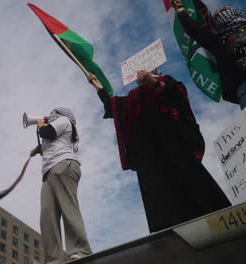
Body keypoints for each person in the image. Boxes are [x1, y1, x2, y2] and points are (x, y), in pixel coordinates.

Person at [90, 70, 231, 233]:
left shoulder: (166, 81)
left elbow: (178, 96)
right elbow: (113, 106)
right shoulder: (132, 97)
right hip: (148, 154)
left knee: (191, 183)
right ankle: (167, 234)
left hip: (172, 142)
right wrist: (98, 87)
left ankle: (219, 218)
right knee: (159, 194)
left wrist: (155, 84)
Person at [30, 107, 91, 263]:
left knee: (68, 208)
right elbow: (49, 141)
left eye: (54, 113)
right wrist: (38, 149)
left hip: (64, 165)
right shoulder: (57, 126)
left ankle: (80, 250)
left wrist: (40, 125)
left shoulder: (64, 121)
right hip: (49, 173)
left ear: (62, 114)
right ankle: (54, 259)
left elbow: (47, 132)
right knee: (47, 215)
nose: (51, 115)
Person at [171, 0, 246, 108]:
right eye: (217, 16)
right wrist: (180, 8)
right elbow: (194, 29)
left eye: (224, 10)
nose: (221, 14)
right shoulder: (219, 42)